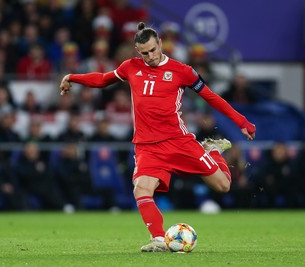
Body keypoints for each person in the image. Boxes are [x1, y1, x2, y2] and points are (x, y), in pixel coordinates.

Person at [59, 22, 256, 252]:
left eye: (153, 50)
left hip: (178, 141)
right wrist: (72, 77)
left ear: (160, 43)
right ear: (137, 51)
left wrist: (241, 121)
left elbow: (211, 97)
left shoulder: (183, 71)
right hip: (146, 146)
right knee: (141, 190)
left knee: (223, 186)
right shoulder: (130, 67)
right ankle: (159, 239)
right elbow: (103, 79)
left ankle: (212, 150)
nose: (150, 56)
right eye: (144, 53)